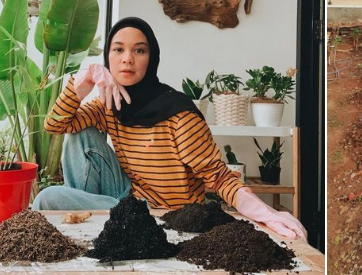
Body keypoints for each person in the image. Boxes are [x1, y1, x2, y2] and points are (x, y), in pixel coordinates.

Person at [33, 17, 306, 240]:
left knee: (48, 198)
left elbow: (218, 177)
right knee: (79, 133)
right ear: (108, 57)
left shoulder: (177, 112)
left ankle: (93, 229)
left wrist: (267, 214)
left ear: (151, 58)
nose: (127, 59)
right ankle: (92, 230)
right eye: (118, 49)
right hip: (125, 196)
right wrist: (85, 80)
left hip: (161, 215)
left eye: (139, 50)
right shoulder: (109, 104)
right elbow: (56, 125)